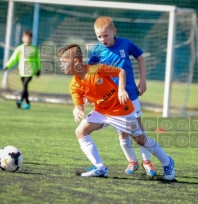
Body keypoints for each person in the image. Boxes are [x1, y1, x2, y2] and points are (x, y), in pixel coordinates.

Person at [58, 43, 175, 180]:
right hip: (101, 112)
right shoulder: (74, 84)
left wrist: (121, 89)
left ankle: (167, 162)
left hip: (121, 111)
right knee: (80, 131)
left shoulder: (96, 70)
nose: (61, 65)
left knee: (141, 140)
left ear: (76, 61)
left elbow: (120, 72)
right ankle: (100, 167)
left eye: (64, 62)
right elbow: (79, 104)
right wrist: (77, 108)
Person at [86, 16, 156, 176]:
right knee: (122, 132)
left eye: (106, 35)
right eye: (99, 36)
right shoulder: (96, 50)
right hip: (112, 100)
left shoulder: (125, 43)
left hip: (131, 94)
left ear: (114, 31)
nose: (102, 39)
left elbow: (140, 58)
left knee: (138, 130)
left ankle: (147, 162)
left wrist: (143, 80)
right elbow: (90, 71)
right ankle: (132, 161)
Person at [3, 30, 41, 109]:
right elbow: (13, 58)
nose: (27, 39)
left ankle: (20, 100)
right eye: (26, 38)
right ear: (22, 38)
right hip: (22, 71)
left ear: (31, 39)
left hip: (30, 71)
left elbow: (38, 60)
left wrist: (38, 69)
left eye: (29, 38)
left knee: (25, 85)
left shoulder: (34, 49)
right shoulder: (19, 48)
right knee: (25, 87)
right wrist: (7, 66)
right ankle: (27, 103)